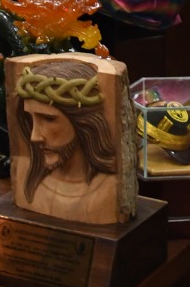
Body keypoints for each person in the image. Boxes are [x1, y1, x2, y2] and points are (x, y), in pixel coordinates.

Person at [9, 58, 121, 225]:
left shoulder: (109, 190)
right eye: (30, 119)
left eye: (48, 119)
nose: (34, 137)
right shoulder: (27, 179)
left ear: (84, 122)